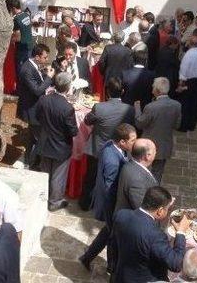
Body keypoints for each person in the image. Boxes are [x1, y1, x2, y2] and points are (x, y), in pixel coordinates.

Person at [79, 124, 137, 270]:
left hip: (111, 204)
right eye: (132, 140)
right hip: (111, 204)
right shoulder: (112, 161)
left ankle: (88, 258)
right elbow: (109, 188)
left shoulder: (110, 145)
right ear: (122, 142)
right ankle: (111, 267)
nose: (134, 143)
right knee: (113, 236)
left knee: (109, 232)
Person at [112, 186, 188, 282]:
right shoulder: (156, 236)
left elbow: (113, 243)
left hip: (122, 275)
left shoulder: (121, 215)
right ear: (160, 211)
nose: (167, 211)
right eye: (167, 209)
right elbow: (176, 264)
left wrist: (166, 204)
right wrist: (181, 232)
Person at [80, 77, 135, 210]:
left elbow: (87, 121)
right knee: (112, 180)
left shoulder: (99, 107)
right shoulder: (129, 109)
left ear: (107, 91)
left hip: (96, 149)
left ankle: (85, 204)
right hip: (117, 150)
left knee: (91, 177)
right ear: (122, 91)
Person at [35, 72, 79, 211]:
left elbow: (37, 116)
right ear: (67, 87)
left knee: (45, 173)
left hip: (45, 143)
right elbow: (73, 131)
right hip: (61, 147)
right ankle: (54, 202)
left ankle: (42, 198)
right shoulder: (67, 108)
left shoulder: (44, 99)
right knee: (58, 177)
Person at [136, 77, 182, 182]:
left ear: (157, 90)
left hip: (148, 145)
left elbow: (139, 123)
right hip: (164, 145)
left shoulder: (151, 107)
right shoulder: (177, 105)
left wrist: (137, 108)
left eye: (153, 87)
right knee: (158, 172)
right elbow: (177, 125)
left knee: (143, 170)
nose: (151, 89)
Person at [16, 44, 55, 168]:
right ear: (37, 57)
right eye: (45, 57)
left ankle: (30, 160)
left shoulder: (34, 66)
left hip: (35, 107)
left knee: (32, 137)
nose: (46, 60)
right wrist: (49, 78)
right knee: (39, 137)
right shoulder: (27, 69)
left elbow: (38, 79)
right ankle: (33, 162)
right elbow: (37, 90)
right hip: (31, 109)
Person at [113, 139, 159, 213]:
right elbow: (144, 211)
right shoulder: (137, 182)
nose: (156, 152)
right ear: (148, 156)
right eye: (155, 150)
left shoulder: (130, 164)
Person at [177, 28, 197, 131]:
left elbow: (183, 70)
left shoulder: (188, 55)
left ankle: (184, 126)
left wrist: (180, 83)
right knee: (195, 103)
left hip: (188, 81)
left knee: (186, 104)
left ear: (190, 44)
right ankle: (192, 125)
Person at [7, 0, 34, 75]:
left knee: (20, 70)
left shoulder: (16, 19)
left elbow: (17, 37)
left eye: (11, 9)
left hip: (21, 48)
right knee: (28, 68)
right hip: (29, 45)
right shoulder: (26, 15)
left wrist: (10, 39)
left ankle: (20, 86)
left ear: (13, 8)